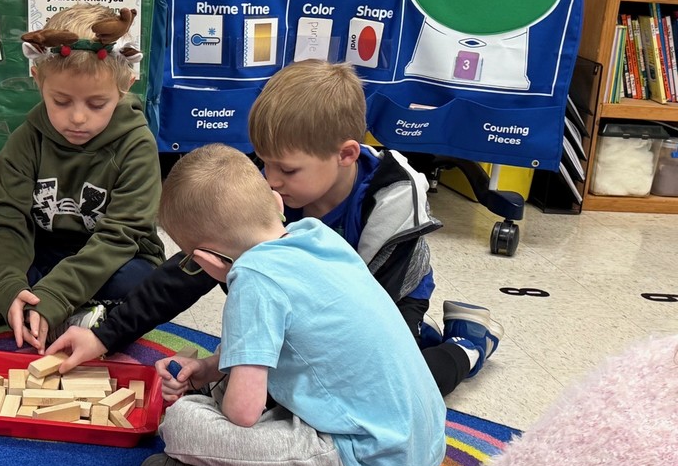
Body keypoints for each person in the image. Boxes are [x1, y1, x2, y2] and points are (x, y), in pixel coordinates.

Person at [47, 59, 502, 395]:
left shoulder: (391, 204)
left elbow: (358, 328)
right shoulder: (281, 187)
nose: (270, 181)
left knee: (400, 386)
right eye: (263, 162)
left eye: (286, 169)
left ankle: (468, 345)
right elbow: (192, 266)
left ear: (345, 154)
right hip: (308, 302)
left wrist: (248, 373)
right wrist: (105, 335)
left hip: (386, 300)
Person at [138, 144, 447, 466]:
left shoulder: (254, 278)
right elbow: (294, 340)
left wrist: (207, 399)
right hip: (421, 448)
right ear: (275, 202)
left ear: (205, 260)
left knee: (183, 424)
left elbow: (242, 413)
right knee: (228, 382)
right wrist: (208, 368)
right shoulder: (317, 236)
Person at [0, 4, 165, 350]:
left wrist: (54, 292)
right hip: (39, 249)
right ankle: (34, 304)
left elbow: (120, 237)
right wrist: (9, 283)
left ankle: (10, 301)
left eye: (96, 104)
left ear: (127, 85)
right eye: (60, 101)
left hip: (107, 257)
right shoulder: (27, 138)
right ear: (38, 81)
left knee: (145, 279)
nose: (77, 118)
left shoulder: (137, 146)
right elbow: (8, 218)